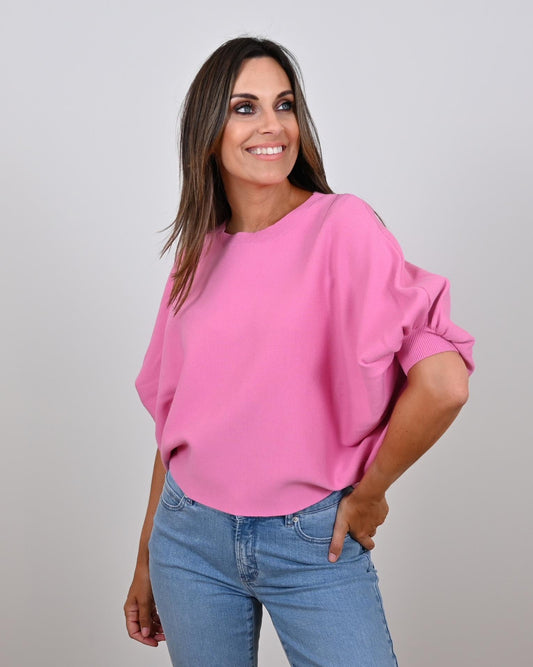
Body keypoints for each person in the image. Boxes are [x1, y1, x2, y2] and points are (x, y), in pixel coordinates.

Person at [124, 36, 474, 666]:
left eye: (284, 105)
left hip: (312, 542)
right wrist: (147, 556)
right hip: (188, 541)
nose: (272, 125)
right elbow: (175, 423)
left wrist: (370, 492)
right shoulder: (197, 251)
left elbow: (445, 385)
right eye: (245, 107)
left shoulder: (343, 227)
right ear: (207, 131)